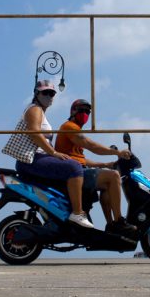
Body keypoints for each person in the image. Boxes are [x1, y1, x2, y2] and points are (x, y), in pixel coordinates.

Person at [10, 80, 94, 229]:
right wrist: (54, 153)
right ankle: (77, 213)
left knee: (70, 165)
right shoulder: (35, 109)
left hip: (38, 158)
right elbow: (34, 134)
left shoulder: (40, 112)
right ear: (36, 93)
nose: (49, 96)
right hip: (32, 159)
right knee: (74, 168)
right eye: (45, 92)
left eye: (52, 93)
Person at [55, 99, 136, 235]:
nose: (85, 114)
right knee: (114, 177)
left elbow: (81, 159)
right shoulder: (70, 127)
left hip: (78, 169)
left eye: (88, 111)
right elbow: (91, 145)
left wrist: (106, 164)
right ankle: (119, 221)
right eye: (82, 110)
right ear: (73, 111)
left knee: (107, 185)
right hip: (74, 174)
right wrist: (118, 152)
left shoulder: (75, 131)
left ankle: (110, 224)